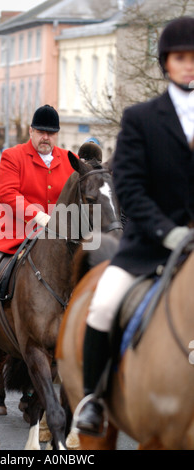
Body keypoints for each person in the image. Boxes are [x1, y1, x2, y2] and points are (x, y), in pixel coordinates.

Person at [75, 16, 194, 436]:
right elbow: (128, 184)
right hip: (147, 246)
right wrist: (168, 230)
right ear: (166, 63)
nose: (190, 65)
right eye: (182, 57)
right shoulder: (142, 117)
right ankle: (92, 398)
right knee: (103, 305)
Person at [0, 104, 78, 346]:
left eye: (51, 133)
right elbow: (6, 193)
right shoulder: (13, 155)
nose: (46, 137)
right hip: (14, 230)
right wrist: (36, 215)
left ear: (56, 134)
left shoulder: (70, 160)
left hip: (57, 236)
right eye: (41, 131)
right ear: (31, 131)